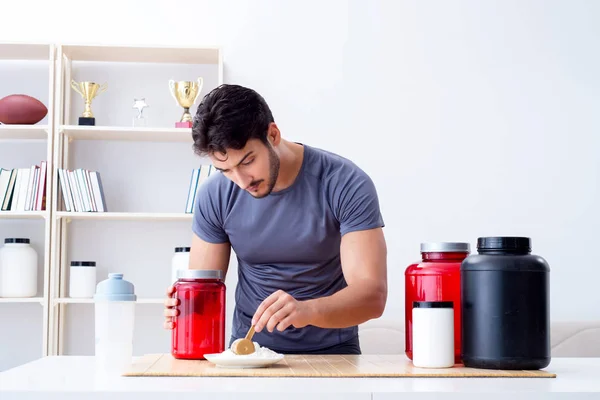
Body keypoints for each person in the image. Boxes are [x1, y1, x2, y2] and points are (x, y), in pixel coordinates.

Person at [163, 84, 387, 355]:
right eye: (226, 170)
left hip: (333, 352)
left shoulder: (345, 183)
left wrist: (307, 310)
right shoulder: (215, 194)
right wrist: (185, 306)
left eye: (247, 161)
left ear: (273, 134)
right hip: (247, 352)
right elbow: (203, 291)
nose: (241, 181)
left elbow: (372, 296)